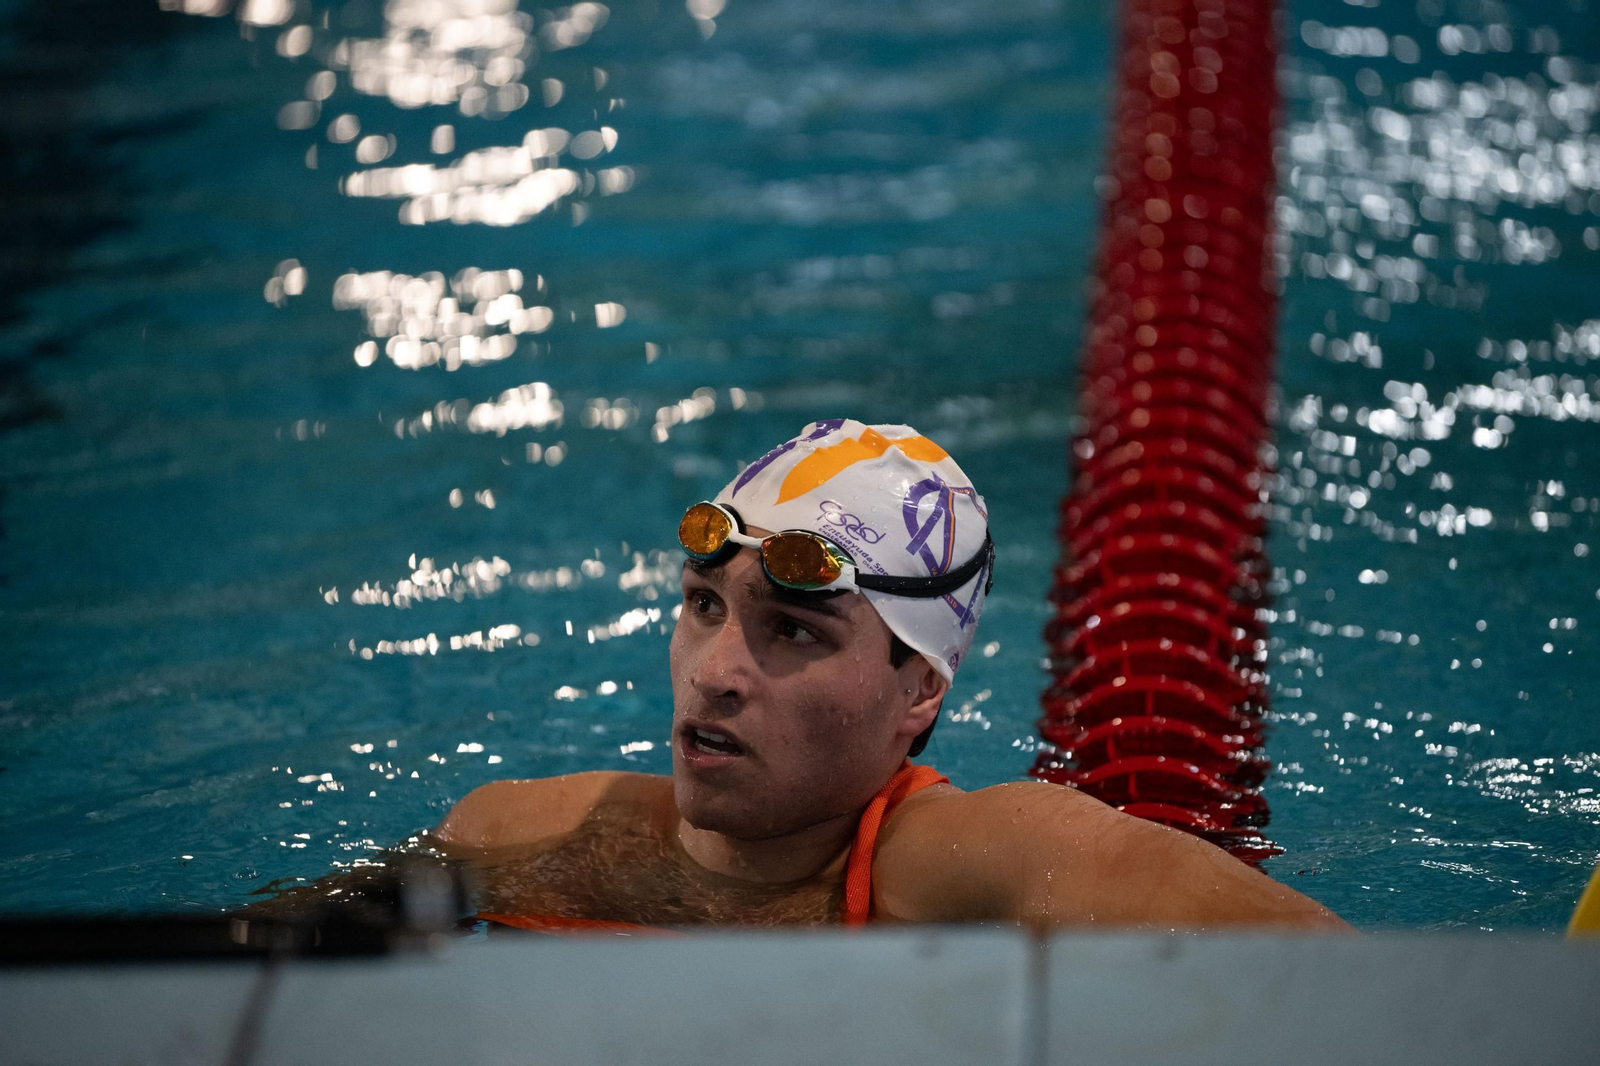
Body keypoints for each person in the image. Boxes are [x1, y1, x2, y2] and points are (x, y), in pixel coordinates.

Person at [433, 418, 1347, 932]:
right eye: (705, 605)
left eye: (794, 629)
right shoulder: (514, 838)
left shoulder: (985, 864)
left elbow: (1346, 983)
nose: (714, 674)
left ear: (920, 689)